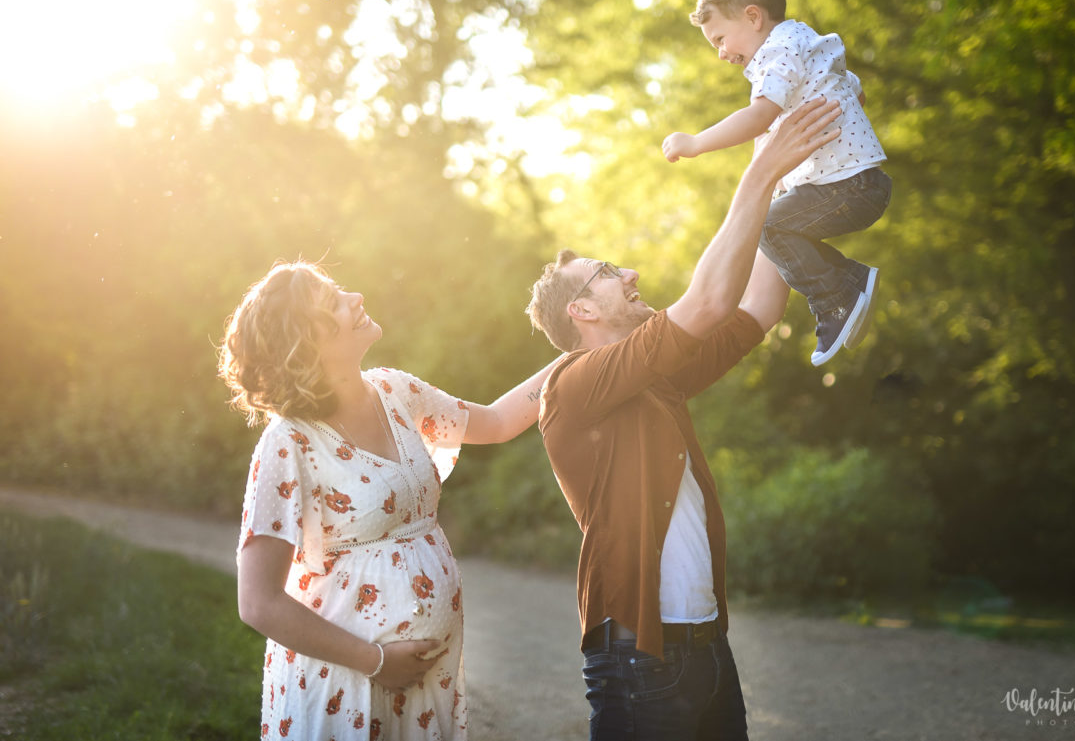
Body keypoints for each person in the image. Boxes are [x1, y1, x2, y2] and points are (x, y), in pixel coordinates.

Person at [526, 98, 842, 740]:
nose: (631, 273)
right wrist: (757, 175)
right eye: (609, 272)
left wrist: (782, 183)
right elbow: (707, 300)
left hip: (706, 645)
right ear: (582, 311)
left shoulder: (654, 381)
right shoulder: (572, 387)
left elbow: (755, 307)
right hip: (642, 654)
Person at [217, 261, 555, 741]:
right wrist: (375, 662)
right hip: (344, 684)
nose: (354, 298)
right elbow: (258, 602)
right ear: (303, 342)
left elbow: (498, 422)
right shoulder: (288, 443)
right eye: (332, 302)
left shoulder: (398, 391)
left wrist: (578, 355)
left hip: (422, 685)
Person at [662, 0, 893, 366]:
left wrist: (696, 142)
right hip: (861, 184)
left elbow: (759, 117)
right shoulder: (804, 42)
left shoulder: (778, 50)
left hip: (847, 189)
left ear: (753, 17)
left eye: (719, 38)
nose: (720, 54)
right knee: (775, 225)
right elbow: (855, 91)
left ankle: (839, 294)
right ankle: (847, 284)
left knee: (766, 226)